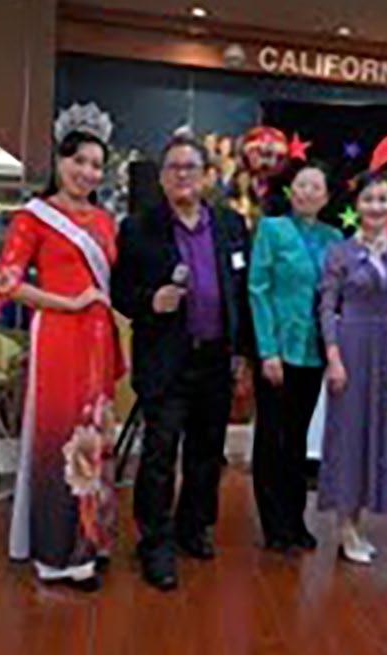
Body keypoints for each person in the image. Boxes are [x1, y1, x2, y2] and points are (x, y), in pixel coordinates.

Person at [111, 134, 253, 591]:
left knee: (206, 454)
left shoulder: (231, 225)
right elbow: (120, 292)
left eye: (190, 167)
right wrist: (151, 300)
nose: (182, 175)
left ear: (207, 175)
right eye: (173, 167)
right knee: (159, 454)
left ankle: (194, 528)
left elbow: (241, 293)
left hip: (216, 359)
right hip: (166, 361)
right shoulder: (138, 228)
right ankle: (155, 543)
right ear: (161, 177)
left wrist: (241, 353)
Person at [0, 128, 124, 593]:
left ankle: (90, 541)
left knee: (94, 437)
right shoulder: (33, 217)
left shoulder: (105, 221)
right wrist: (68, 303)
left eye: (96, 165)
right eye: (79, 161)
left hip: (98, 339)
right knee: (58, 439)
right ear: (60, 161)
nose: (87, 172)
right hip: (58, 334)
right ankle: (55, 555)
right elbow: (7, 283)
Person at [317, 172, 387, 564]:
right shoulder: (340, 252)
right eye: (369, 199)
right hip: (351, 348)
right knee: (348, 435)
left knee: (377, 435)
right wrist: (333, 356)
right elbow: (327, 307)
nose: (376, 207)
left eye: (383, 199)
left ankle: (360, 521)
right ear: (357, 205)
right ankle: (344, 526)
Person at [248, 162, 344, 553]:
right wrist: (267, 349)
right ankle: (274, 526)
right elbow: (258, 289)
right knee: (272, 437)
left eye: (315, 187)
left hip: (313, 351)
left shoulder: (334, 237)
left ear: (326, 196)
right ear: (290, 191)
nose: (307, 192)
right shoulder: (272, 229)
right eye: (301, 185)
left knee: (298, 438)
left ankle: (295, 519)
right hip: (278, 349)